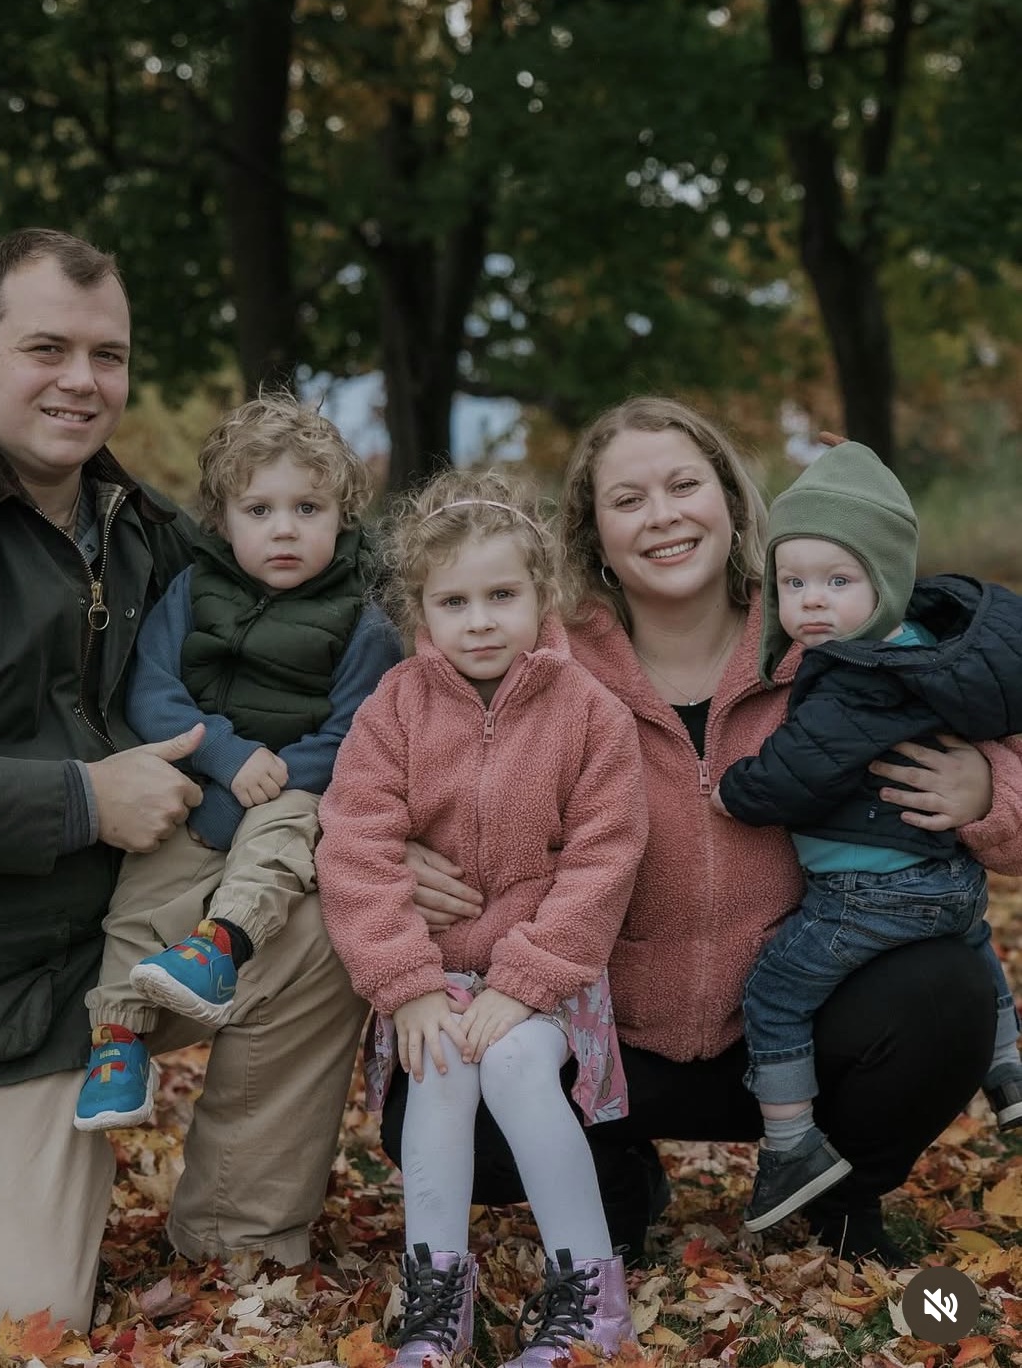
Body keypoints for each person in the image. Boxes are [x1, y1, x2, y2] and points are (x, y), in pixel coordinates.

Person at [0, 230, 368, 1338]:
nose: (82, 379)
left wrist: (411, 838)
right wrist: (85, 798)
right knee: (20, 1306)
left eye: (106, 354)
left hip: (116, 939)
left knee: (326, 914)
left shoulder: (149, 532)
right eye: (47, 347)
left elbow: (294, 694)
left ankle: (235, 1235)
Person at [401, 397, 1022, 1266]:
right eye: (628, 499)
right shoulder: (542, 658)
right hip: (604, 1034)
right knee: (429, 1097)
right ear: (591, 532)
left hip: (794, 1023)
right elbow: (404, 749)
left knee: (946, 996)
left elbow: (1001, 761)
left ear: (731, 503)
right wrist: (403, 851)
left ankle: (838, 1192)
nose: (662, 516)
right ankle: (616, 1180)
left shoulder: (823, 619)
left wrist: (991, 787)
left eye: (685, 485)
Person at [316, 471, 648, 1367]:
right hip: (433, 977)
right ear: (418, 609)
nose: (480, 620)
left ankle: (590, 1290)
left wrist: (528, 978)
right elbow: (355, 845)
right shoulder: (395, 711)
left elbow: (604, 858)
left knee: (507, 1058)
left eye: (502, 595)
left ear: (543, 593)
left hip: (550, 978)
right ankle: (438, 1295)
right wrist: (408, 988)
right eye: (453, 601)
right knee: (439, 1065)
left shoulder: (590, 714)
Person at [711, 441, 1022, 1231]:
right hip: (949, 887)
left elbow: (798, 773)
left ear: (886, 582)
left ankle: (790, 1148)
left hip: (869, 892)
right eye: (794, 583)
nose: (812, 602)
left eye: (838, 582)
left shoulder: (858, 673)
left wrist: (732, 792)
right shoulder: (927, 656)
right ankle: (1008, 1066)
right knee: (976, 945)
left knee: (775, 993)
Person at [73, 391, 401, 1131]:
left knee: (281, 843)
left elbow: (358, 730)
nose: (284, 529)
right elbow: (151, 687)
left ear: (342, 514)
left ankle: (222, 946)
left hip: (295, 787)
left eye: (308, 509)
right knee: (137, 899)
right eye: (259, 511)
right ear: (222, 520)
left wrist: (273, 775)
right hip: (202, 780)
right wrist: (225, 754)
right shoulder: (194, 588)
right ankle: (117, 1041)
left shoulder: (363, 614)